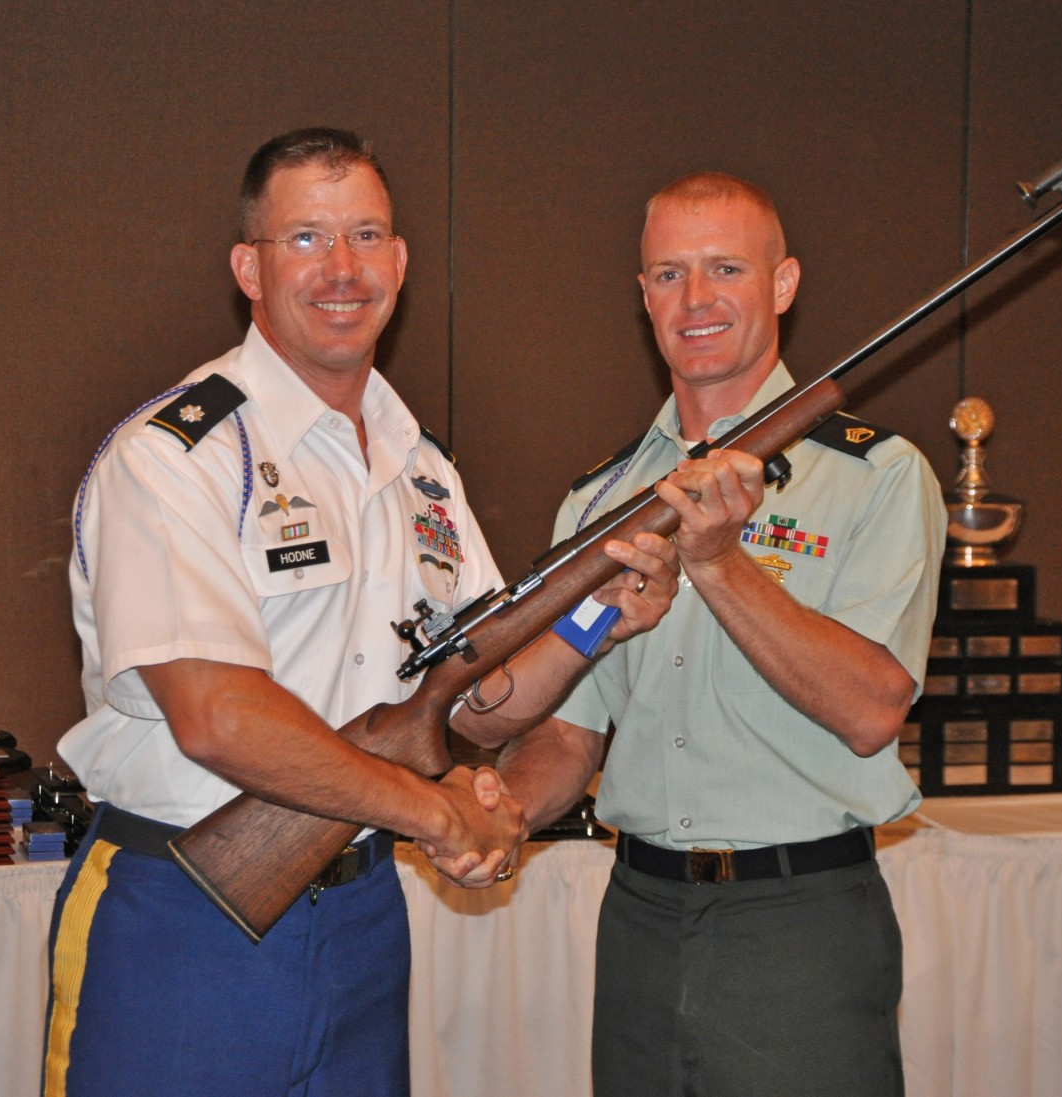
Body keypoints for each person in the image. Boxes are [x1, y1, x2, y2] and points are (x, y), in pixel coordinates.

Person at [43, 127, 679, 1097]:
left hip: (361, 917)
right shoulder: (178, 453)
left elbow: (476, 702)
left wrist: (597, 620)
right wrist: (434, 808)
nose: (341, 268)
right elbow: (218, 715)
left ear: (402, 261)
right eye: (305, 238)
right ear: (248, 267)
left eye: (367, 235)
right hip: (187, 911)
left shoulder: (420, 467)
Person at [443, 172, 946, 1096]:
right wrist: (502, 812)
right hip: (639, 916)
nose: (697, 299)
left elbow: (874, 708)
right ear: (643, 297)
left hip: (798, 922)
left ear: (783, 284)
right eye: (668, 274)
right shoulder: (597, 501)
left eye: (725, 268)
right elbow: (567, 731)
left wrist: (718, 563)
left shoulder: (877, 477)